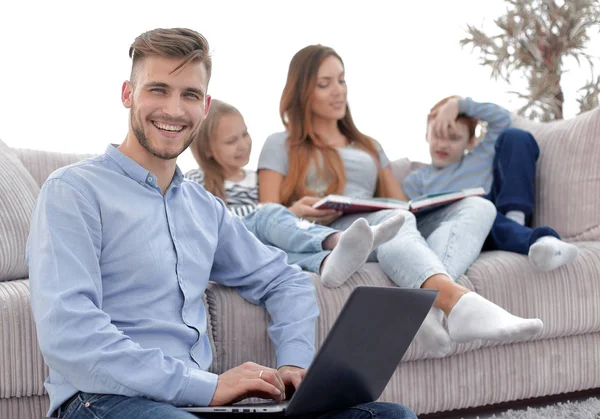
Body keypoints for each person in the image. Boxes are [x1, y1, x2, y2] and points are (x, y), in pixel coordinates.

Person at [25, 29, 417, 419]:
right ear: (128, 94)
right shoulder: (73, 191)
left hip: (196, 406)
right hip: (103, 400)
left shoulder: (204, 209)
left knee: (390, 416)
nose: (175, 110)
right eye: (158, 90)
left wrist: (294, 365)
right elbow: (70, 334)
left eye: (190, 95)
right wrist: (209, 386)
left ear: (205, 105)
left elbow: (285, 280)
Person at [257, 44, 544, 359]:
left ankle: (429, 308)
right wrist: (295, 211)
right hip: (334, 227)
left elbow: (398, 202)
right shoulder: (280, 144)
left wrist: (430, 203)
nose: (338, 91)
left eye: (341, 80)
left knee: (480, 206)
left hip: (381, 218)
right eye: (325, 84)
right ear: (302, 92)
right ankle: (456, 302)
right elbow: (268, 214)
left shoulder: (369, 145)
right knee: (394, 222)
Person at [185, 98, 405, 288]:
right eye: (231, 141)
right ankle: (338, 239)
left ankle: (327, 263)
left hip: (256, 249)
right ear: (207, 150)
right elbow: (206, 219)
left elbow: (275, 225)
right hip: (228, 243)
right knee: (268, 212)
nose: (243, 145)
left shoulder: (256, 180)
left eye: (245, 134)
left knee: (280, 252)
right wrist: (281, 211)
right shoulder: (197, 178)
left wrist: (301, 212)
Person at [404, 96, 579, 271]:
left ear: (471, 142)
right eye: (437, 135)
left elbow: (503, 119)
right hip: (468, 225)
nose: (442, 144)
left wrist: (459, 105)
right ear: (426, 134)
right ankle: (542, 241)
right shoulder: (416, 180)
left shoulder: (479, 158)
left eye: (454, 138)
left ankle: (516, 222)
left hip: (502, 210)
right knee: (480, 212)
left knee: (516, 137)